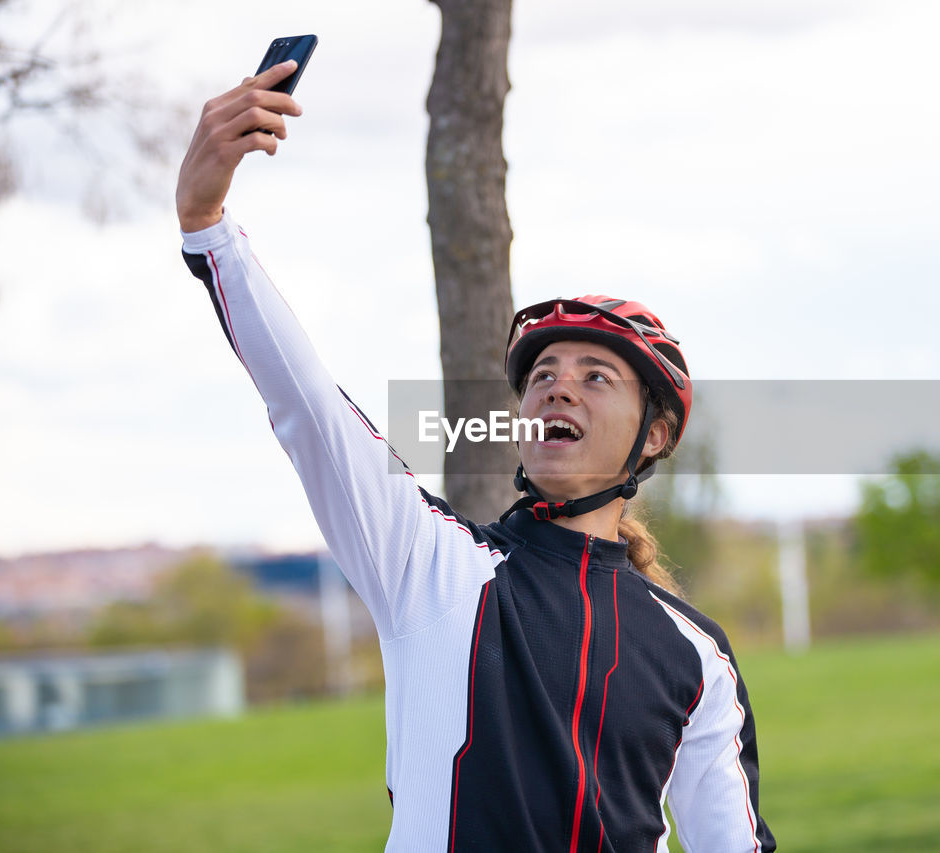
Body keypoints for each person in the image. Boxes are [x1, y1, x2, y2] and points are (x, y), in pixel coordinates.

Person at [176, 61, 776, 852]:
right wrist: (207, 223)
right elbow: (311, 407)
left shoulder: (696, 654)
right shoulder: (431, 563)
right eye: (545, 378)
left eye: (596, 376)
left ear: (655, 435)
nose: (559, 390)